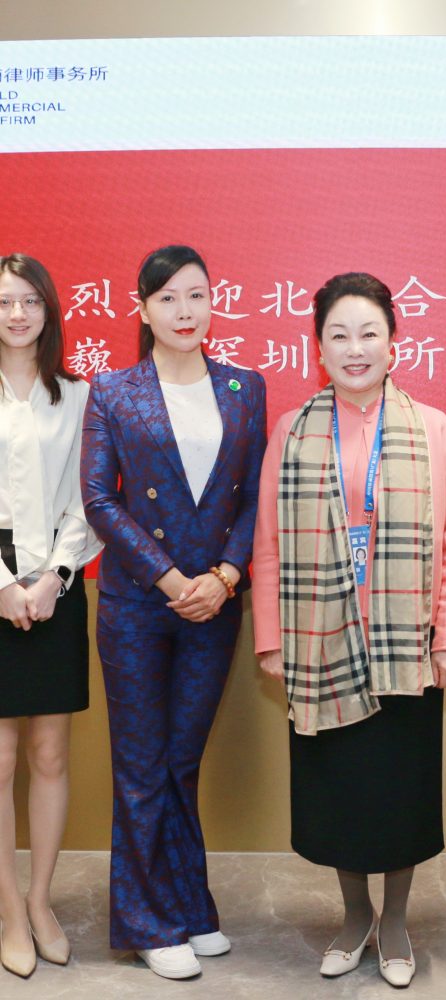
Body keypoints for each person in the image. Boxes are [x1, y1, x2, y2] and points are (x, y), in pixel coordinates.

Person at [252, 272, 446, 989]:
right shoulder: (292, 431)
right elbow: (266, 545)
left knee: (401, 791)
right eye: (339, 335)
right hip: (319, 640)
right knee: (338, 793)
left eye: (369, 333)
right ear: (318, 347)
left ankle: (397, 919)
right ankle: (355, 916)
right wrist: (272, 639)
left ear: (393, 343)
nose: (355, 348)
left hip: (408, 644)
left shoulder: (432, 429)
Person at [80, 245, 266, 980]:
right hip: (137, 604)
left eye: (196, 295)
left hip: (214, 605)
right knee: (140, 765)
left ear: (213, 301)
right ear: (143, 309)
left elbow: (253, 495)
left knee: (180, 760)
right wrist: (168, 578)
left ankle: (189, 906)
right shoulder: (112, 390)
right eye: (167, 299)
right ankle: (146, 922)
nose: (184, 311)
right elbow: (101, 500)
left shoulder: (244, 388)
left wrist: (225, 575)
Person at [0, 254, 101, 979]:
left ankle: (40, 901)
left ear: (49, 309)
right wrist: (3, 584)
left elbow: (87, 500)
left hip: (55, 594)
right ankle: (8, 909)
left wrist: (54, 578)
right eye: (5, 301)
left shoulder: (78, 395)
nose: (17, 314)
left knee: (49, 756)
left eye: (30, 300)